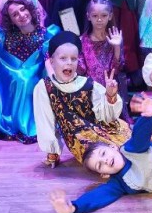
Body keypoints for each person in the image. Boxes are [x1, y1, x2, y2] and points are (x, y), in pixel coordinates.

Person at [34, 30, 131, 167]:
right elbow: (45, 121)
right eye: (63, 58)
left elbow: (107, 116)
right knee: (103, 159)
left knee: (130, 152)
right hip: (80, 140)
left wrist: (110, 95)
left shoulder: (89, 85)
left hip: (105, 129)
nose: (69, 63)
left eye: (73, 59)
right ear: (52, 61)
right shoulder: (45, 88)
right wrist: (52, 152)